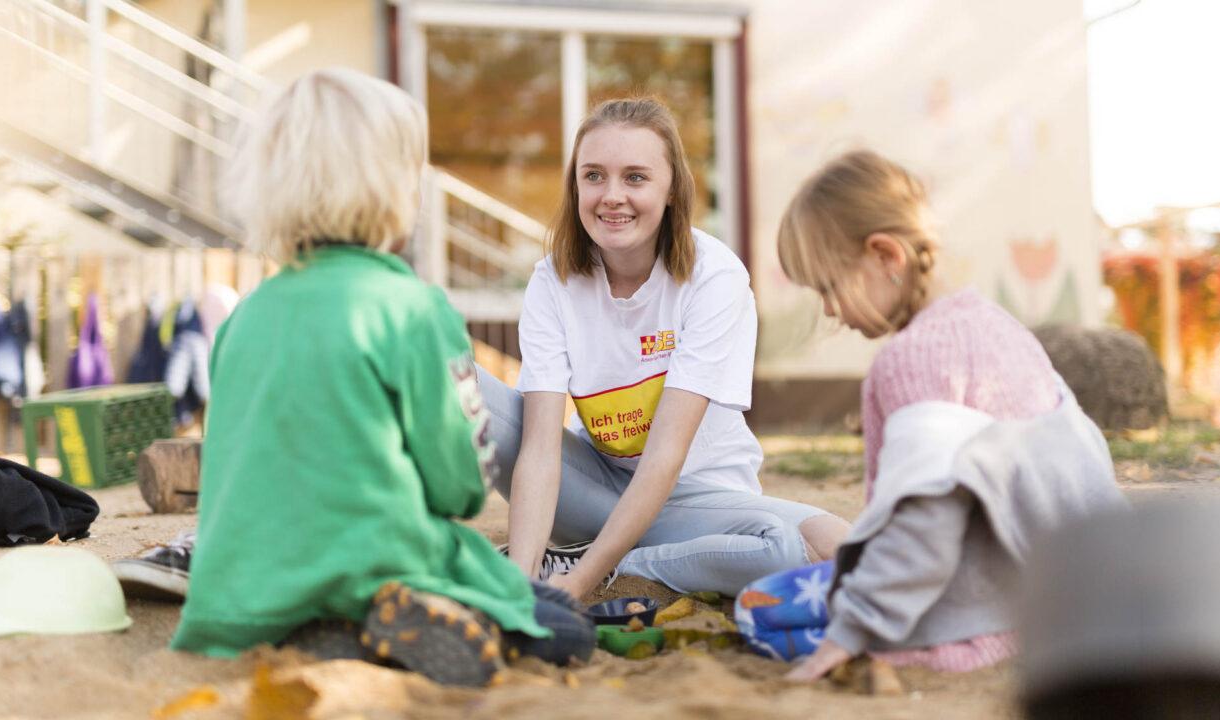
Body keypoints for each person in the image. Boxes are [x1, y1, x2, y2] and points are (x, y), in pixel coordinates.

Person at [166, 68, 591, 687]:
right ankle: (363, 631)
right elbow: (460, 488)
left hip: (239, 595)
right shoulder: (413, 310)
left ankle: (324, 636)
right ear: (390, 187)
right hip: (371, 572)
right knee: (569, 625)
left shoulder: (243, 318)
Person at [735, 149, 1125, 677]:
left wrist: (854, 631)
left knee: (757, 608)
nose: (828, 309)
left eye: (828, 287)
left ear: (885, 257)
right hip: (1070, 588)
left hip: (987, 617)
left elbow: (925, 524)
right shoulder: (997, 325)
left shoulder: (914, 358)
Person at [479, 97, 850, 600]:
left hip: (697, 503)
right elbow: (541, 447)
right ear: (575, 186)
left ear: (672, 188)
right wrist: (521, 587)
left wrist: (583, 581)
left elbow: (665, 458)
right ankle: (568, 557)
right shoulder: (553, 279)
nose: (612, 196)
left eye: (635, 177)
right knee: (466, 387)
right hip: (591, 489)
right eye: (593, 176)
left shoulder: (713, 277)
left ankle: (607, 559)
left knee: (822, 547)